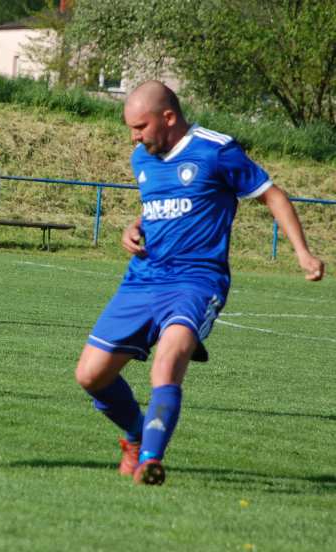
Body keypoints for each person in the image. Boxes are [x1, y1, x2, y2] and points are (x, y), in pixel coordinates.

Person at [75, 81, 325, 485]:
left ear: (168, 118)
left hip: (196, 282)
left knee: (167, 363)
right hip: (143, 280)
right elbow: (154, 210)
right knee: (90, 376)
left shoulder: (216, 150)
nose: (134, 137)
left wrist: (302, 252)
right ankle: (137, 435)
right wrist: (132, 228)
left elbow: (272, 195)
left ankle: (151, 462)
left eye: (139, 126)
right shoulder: (142, 157)